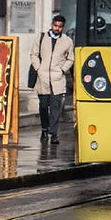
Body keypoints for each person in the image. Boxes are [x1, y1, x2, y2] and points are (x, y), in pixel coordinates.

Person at [31, 14, 75, 144]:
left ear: (63, 27)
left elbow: (70, 58)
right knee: (43, 107)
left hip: (57, 79)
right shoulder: (41, 37)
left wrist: (62, 70)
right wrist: (38, 68)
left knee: (56, 108)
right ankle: (44, 128)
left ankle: (54, 134)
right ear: (52, 25)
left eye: (60, 27)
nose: (57, 28)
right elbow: (34, 54)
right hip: (43, 78)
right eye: (55, 26)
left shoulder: (67, 41)